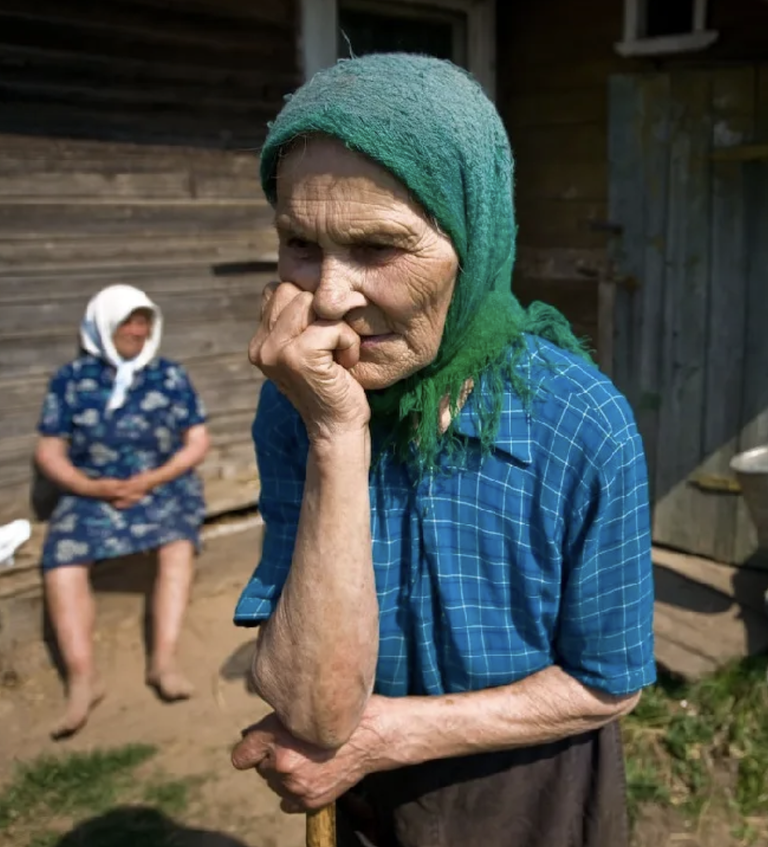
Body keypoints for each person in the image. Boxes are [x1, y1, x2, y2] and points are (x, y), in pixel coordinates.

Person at [228, 53, 656, 847]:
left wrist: (383, 736)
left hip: (532, 788)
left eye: (379, 248)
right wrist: (334, 436)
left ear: (476, 236)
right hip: (366, 804)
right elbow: (317, 711)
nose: (328, 298)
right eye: (299, 242)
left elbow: (607, 682)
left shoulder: (580, 422)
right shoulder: (297, 406)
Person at [35, 284, 211, 739]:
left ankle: (164, 661)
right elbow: (50, 451)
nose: (136, 330)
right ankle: (82, 678)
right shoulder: (71, 379)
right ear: (102, 325)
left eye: (143, 321)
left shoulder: (169, 376)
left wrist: (152, 479)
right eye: (126, 322)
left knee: (177, 544)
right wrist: (90, 486)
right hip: (92, 491)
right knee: (62, 559)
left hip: (161, 486)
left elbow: (197, 442)